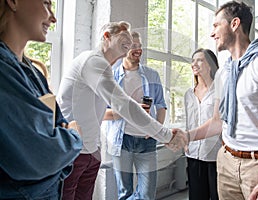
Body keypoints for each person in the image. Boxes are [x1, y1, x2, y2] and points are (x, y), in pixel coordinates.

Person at [56, 21, 187, 200]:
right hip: (73, 151)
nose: (129, 42)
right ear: (107, 37)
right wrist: (165, 135)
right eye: (124, 36)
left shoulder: (105, 67)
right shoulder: (93, 62)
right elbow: (123, 105)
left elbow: (99, 111)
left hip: (91, 151)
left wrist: (96, 150)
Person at [187, 1, 258, 200]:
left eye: (216, 26)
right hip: (227, 162)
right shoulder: (223, 72)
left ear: (234, 24)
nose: (212, 34)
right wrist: (187, 136)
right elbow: (218, 122)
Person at [0, 0, 82, 199]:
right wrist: (74, 137)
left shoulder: (32, 71)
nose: (53, 18)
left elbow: (55, 133)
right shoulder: (3, 69)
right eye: (46, 3)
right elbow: (42, 155)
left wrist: (57, 151)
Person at [102, 31, 166, 200]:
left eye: (140, 46)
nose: (138, 50)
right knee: (125, 193)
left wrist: (156, 129)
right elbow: (102, 112)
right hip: (121, 140)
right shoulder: (111, 76)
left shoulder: (152, 75)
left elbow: (161, 105)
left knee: (147, 194)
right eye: (133, 46)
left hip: (147, 141)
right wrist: (129, 109)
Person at [184, 48, 221, 200]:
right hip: (193, 153)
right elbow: (188, 121)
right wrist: (186, 143)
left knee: (216, 196)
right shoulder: (188, 94)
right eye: (193, 60)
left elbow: (220, 122)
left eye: (200, 60)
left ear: (210, 65)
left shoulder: (220, 90)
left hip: (215, 154)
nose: (194, 63)